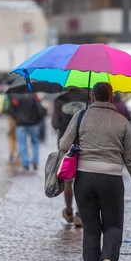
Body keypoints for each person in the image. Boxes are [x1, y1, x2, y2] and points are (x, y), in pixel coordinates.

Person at [59, 82, 131, 261]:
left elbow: (63, 145)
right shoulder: (122, 122)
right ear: (112, 97)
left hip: (84, 178)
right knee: (113, 226)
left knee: (90, 230)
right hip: (112, 179)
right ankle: (108, 258)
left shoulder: (80, 117)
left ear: (92, 97)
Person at [52, 88, 88, 228]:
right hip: (83, 143)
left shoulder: (60, 99)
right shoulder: (88, 97)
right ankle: (79, 214)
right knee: (82, 179)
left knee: (68, 180)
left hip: (65, 143)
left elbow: (55, 124)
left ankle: (68, 211)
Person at [9, 93, 46, 172]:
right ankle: (35, 162)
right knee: (35, 143)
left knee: (22, 144)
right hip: (34, 124)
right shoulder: (34, 96)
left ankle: (26, 164)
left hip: (21, 124)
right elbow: (39, 109)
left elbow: (11, 110)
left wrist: (17, 117)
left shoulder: (16, 97)